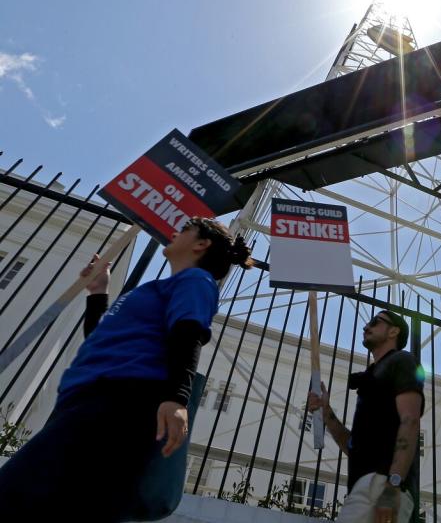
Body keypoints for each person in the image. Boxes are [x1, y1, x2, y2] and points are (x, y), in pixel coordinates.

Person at [0, 216, 252, 521]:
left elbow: (188, 332)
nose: (174, 230)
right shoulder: (153, 289)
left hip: (121, 404)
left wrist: (177, 397)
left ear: (201, 244)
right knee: (68, 503)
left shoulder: (196, 281)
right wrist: (98, 292)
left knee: (18, 493)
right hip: (85, 400)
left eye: (185, 229)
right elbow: (102, 339)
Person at [308, 309, 424, 523]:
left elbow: (410, 420)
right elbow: (354, 447)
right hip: (364, 487)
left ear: (393, 332)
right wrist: (327, 413)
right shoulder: (371, 378)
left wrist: (393, 485)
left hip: (382, 485)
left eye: (374, 322)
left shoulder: (403, 360)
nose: (365, 326)